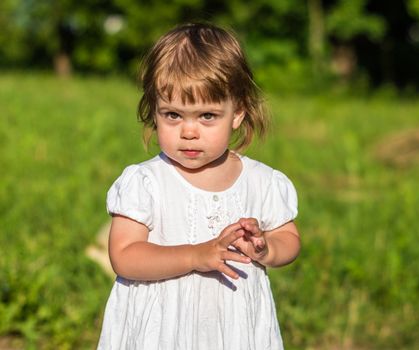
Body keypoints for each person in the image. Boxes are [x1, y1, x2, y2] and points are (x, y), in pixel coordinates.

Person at [97, 22, 301, 350]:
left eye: (207, 116)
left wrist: (266, 248)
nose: (189, 131)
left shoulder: (261, 182)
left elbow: (289, 239)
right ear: (154, 112)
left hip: (232, 330)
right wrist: (195, 255)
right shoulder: (147, 182)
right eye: (173, 115)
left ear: (237, 114)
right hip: (162, 330)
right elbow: (124, 255)